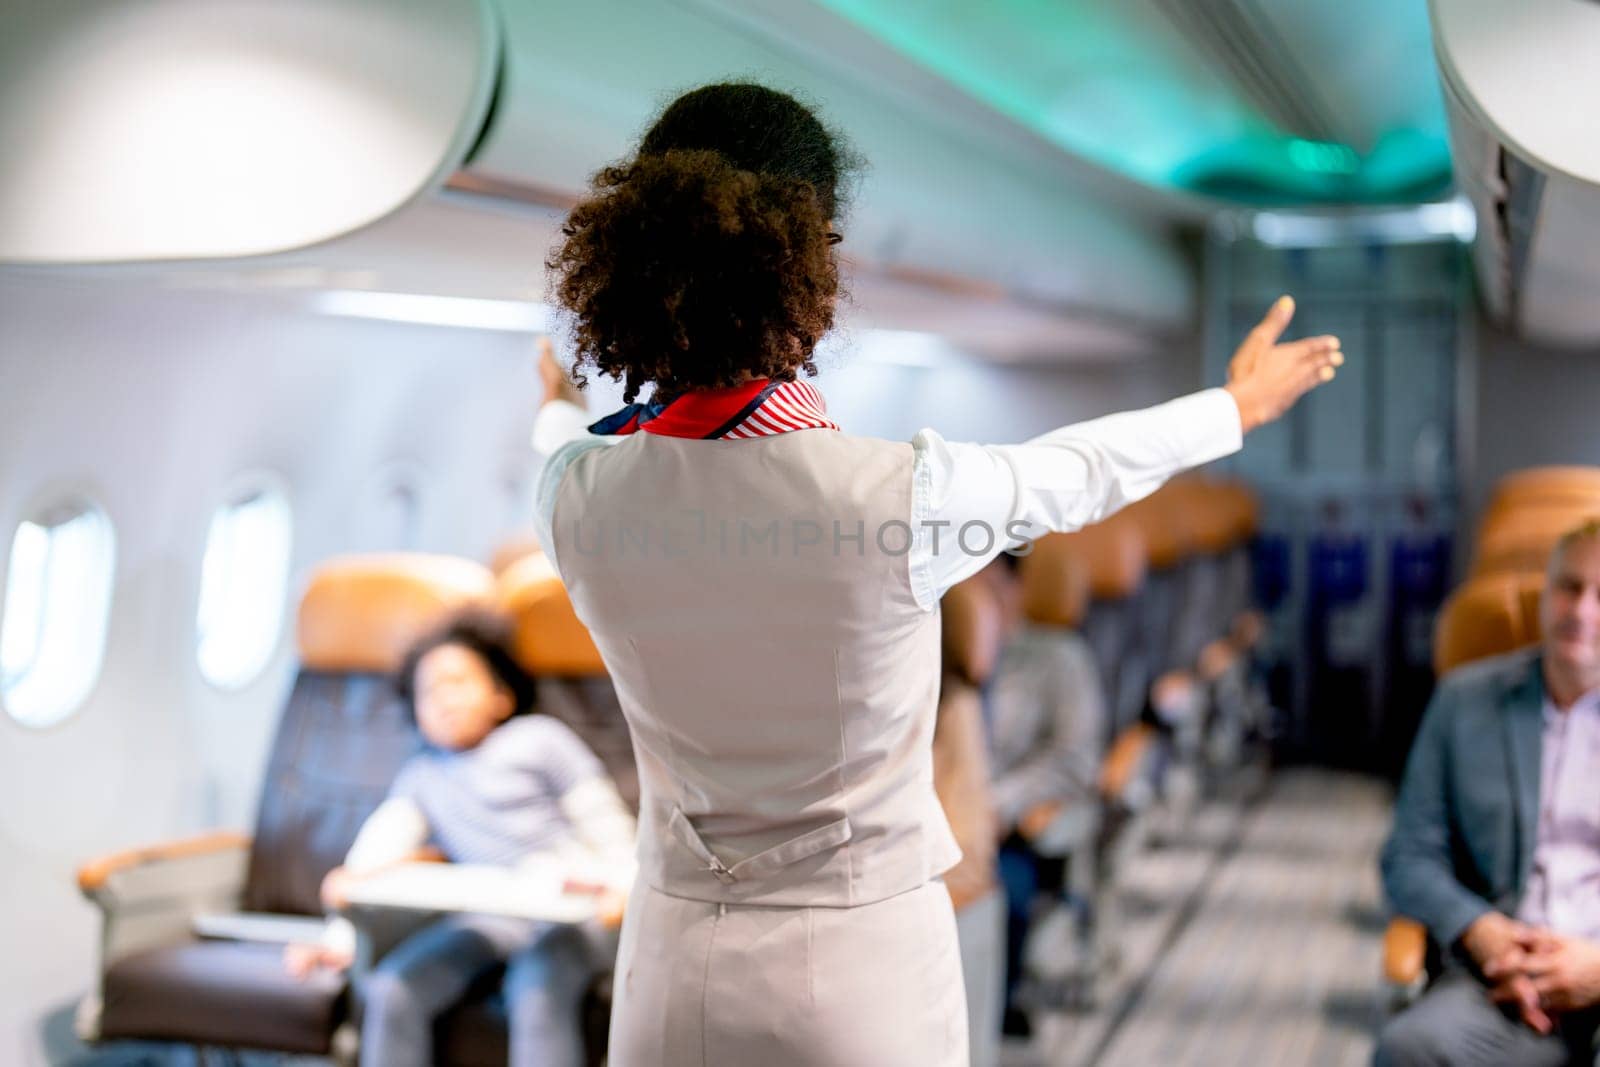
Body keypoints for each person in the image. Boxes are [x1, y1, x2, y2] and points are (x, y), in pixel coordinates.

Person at [530, 81, 1340, 1066]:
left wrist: (561, 398)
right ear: (811, 265)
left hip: (666, 960)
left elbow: (565, 435)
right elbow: (1076, 472)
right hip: (852, 971)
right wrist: (1233, 407)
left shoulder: (576, 495)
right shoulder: (898, 496)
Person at [285, 611, 636, 1067]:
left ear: (501, 696)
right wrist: (339, 934)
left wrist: (621, 890)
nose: (445, 699)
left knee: (536, 984)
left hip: (575, 915)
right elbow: (374, 857)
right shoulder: (422, 777)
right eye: (429, 691)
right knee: (393, 988)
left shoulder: (541, 741)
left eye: (459, 682)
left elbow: (612, 833)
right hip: (492, 919)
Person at [1376, 519, 1600, 1066]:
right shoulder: (1463, 703)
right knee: (1410, 1049)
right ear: (1544, 593)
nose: (1582, 611)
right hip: (1497, 981)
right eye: (1569, 587)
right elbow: (1408, 856)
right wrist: (1481, 931)